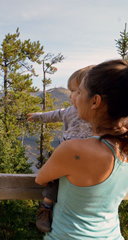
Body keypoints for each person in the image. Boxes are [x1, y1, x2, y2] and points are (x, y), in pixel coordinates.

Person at [36, 59, 128, 239]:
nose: (75, 98)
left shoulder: (74, 149)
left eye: (80, 92)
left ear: (95, 101)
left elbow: (41, 179)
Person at [27, 66, 94, 232]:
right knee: (53, 179)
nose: (71, 95)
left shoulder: (99, 117)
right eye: (70, 91)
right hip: (65, 155)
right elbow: (53, 115)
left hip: (88, 158)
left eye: (75, 91)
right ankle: (46, 207)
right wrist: (36, 117)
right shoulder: (69, 112)